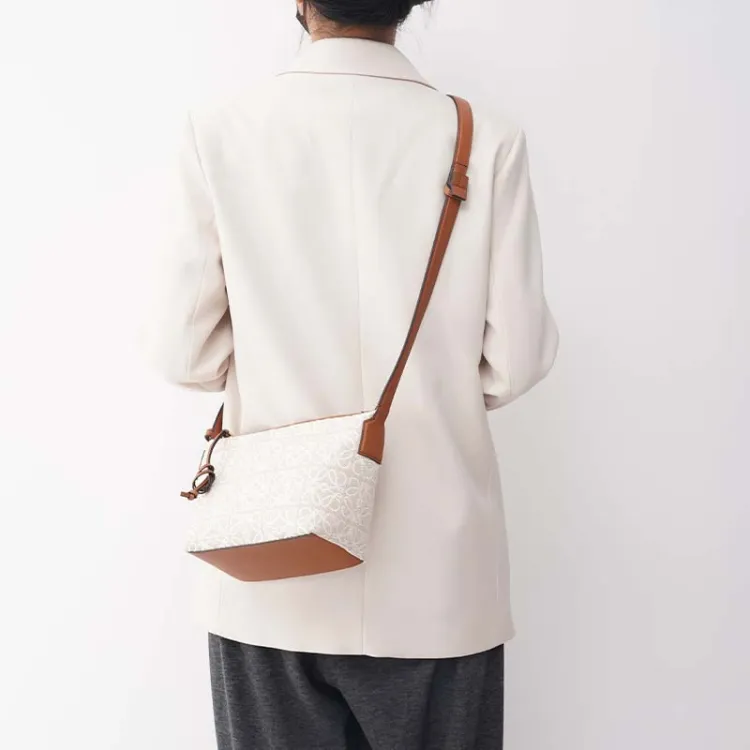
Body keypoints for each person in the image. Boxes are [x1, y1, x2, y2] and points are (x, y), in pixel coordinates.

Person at [148, 1, 558, 747]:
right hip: (438, 574)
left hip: (269, 569)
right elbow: (517, 359)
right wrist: (437, 393)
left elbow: (183, 352)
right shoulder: (485, 138)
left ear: (301, 4)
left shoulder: (221, 130)